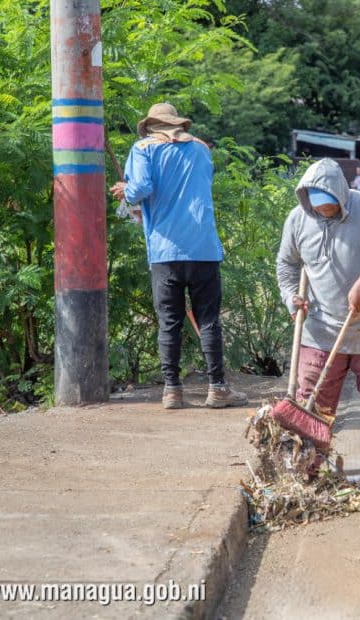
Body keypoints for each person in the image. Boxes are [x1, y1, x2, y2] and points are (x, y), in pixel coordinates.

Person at [109, 103, 247, 410]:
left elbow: (141, 188)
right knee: (208, 319)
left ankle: (172, 391)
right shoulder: (201, 149)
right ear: (179, 125)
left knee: (169, 322)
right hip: (203, 248)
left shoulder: (143, 149)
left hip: (165, 250)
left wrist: (126, 191)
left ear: (150, 126)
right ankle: (218, 388)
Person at [276, 158, 360, 472]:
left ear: (342, 195)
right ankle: (310, 453)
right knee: (313, 393)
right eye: (316, 203)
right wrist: (291, 298)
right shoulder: (297, 219)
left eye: (329, 203)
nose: (323, 208)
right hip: (320, 328)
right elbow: (286, 265)